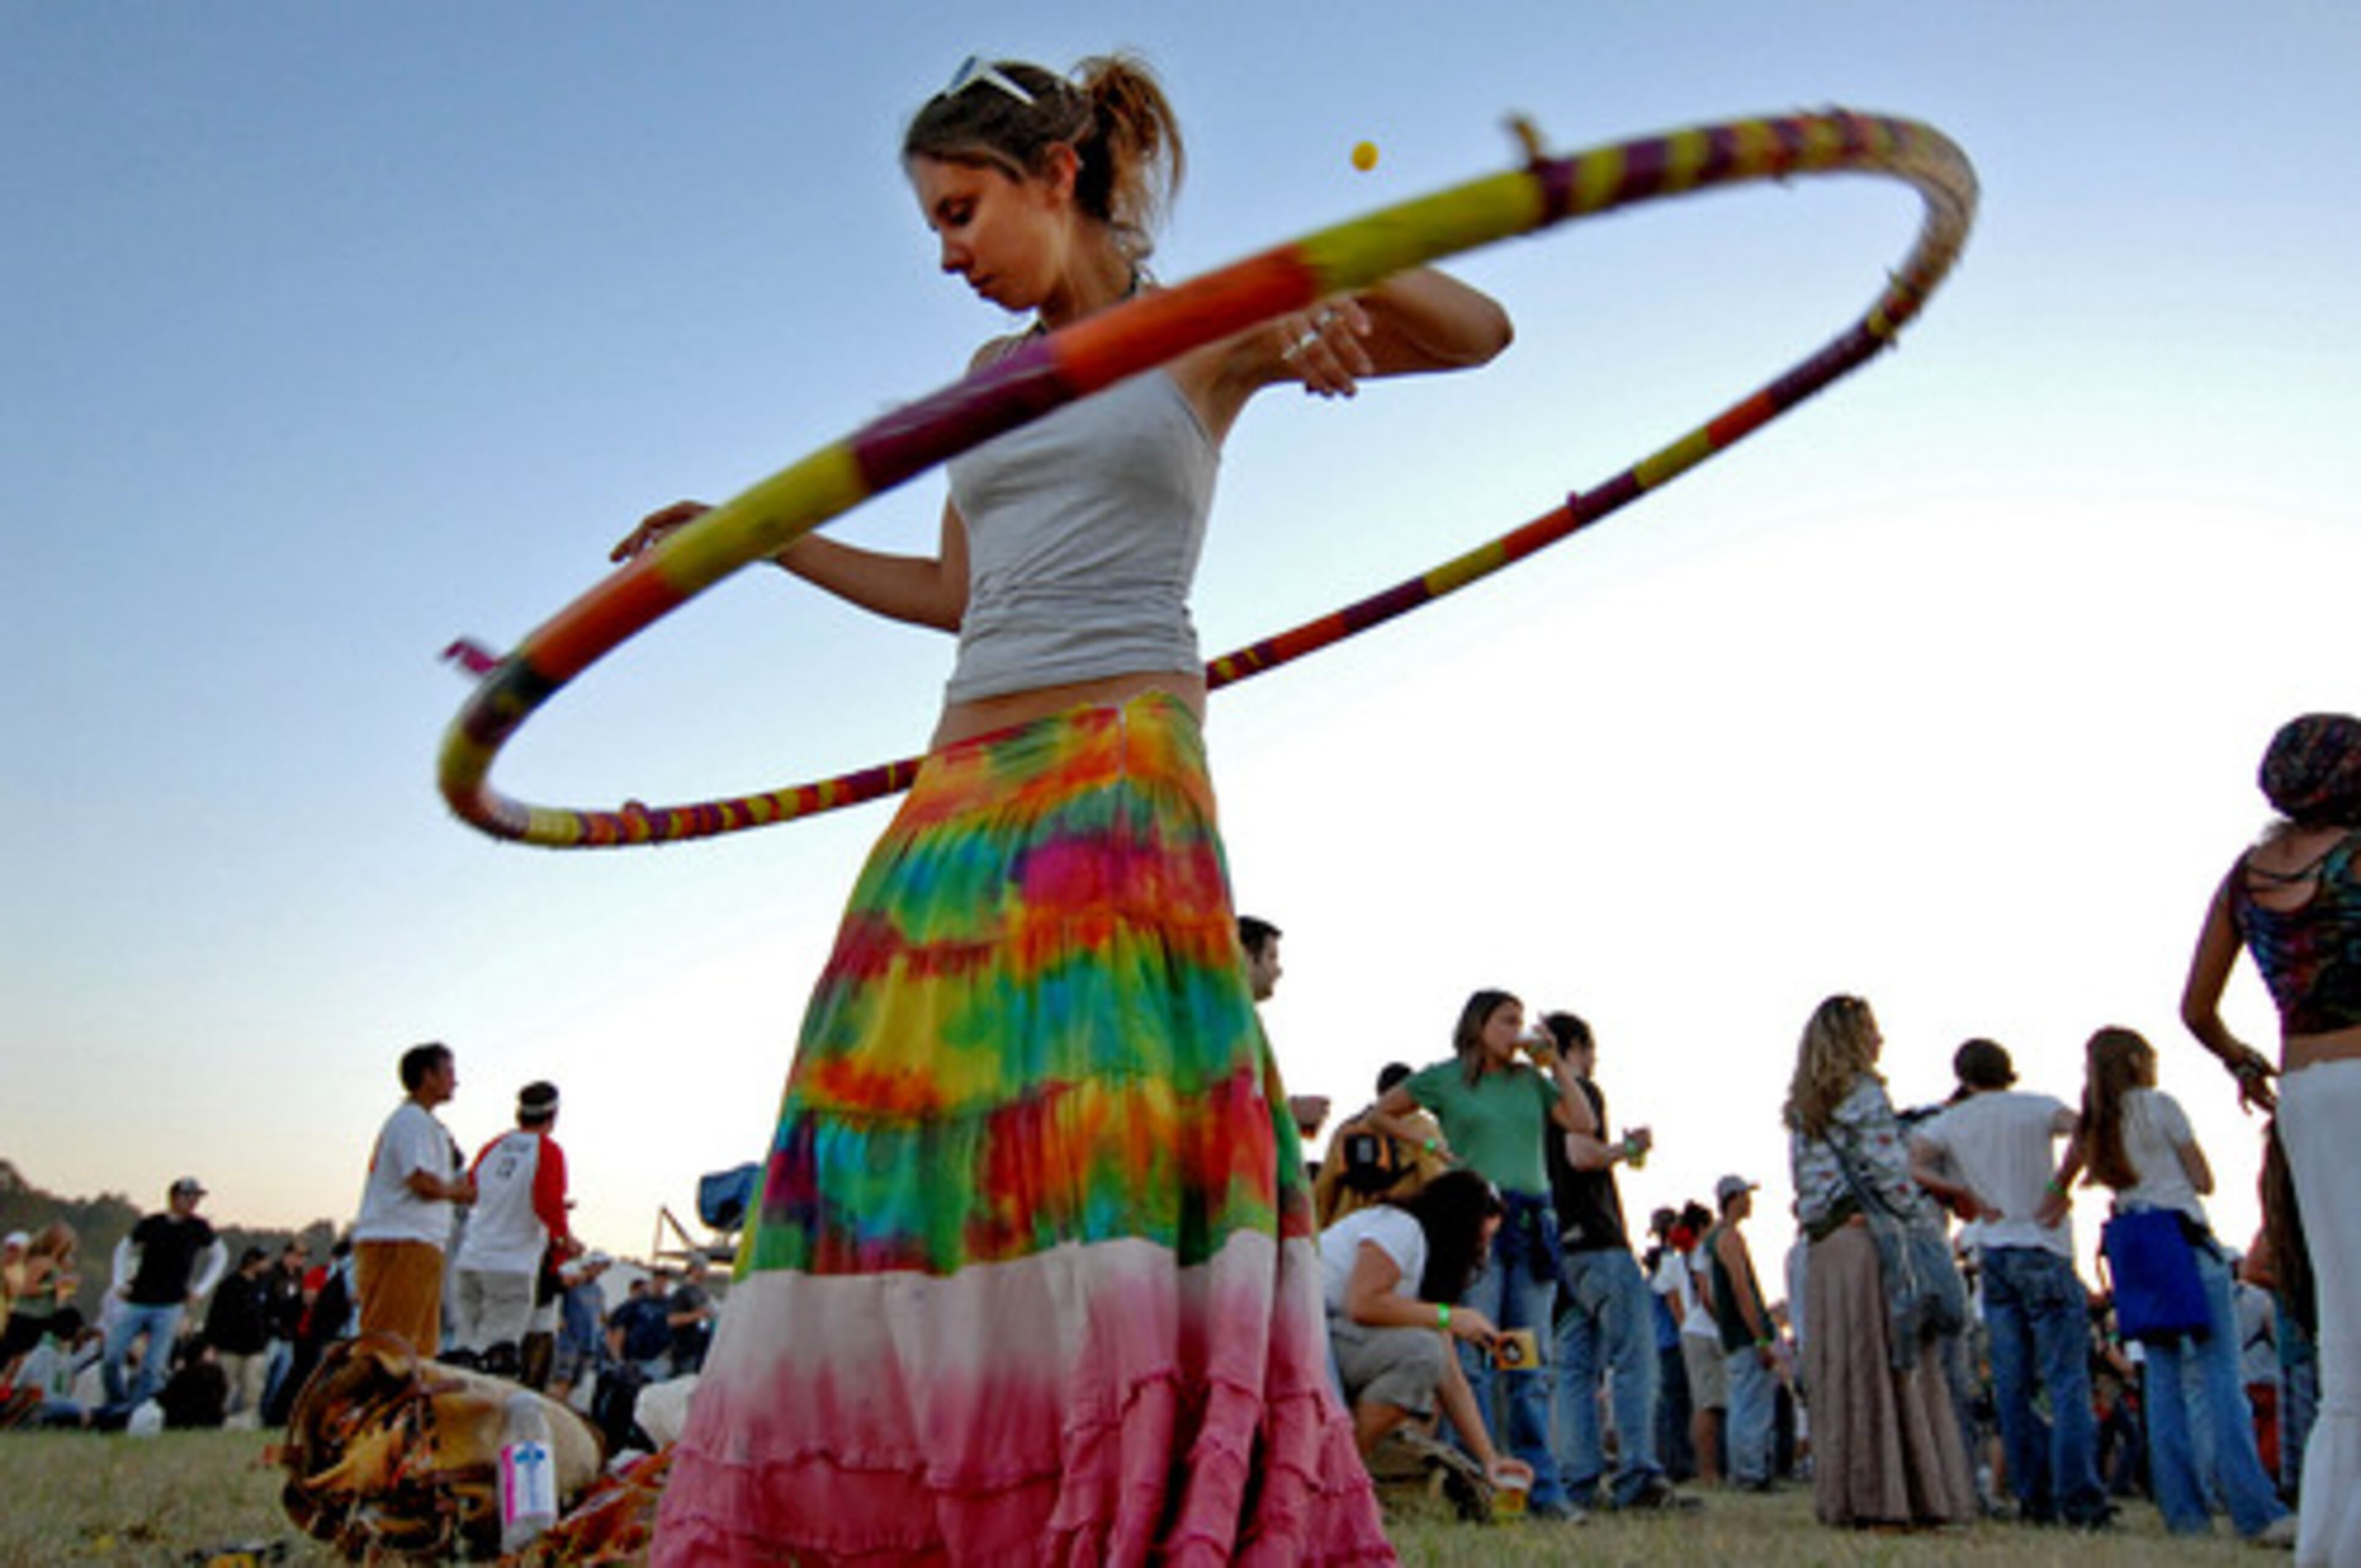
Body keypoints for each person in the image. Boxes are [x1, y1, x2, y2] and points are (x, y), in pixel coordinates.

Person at [625, 51, 1509, 1564]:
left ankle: (1116, 1481)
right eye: (932, 226)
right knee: (897, 1139)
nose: (946, 252)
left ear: (1056, 176)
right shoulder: (985, 388)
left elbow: (1475, 331)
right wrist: (757, 546)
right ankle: (934, 1484)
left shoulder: (1196, 331)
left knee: (1094, 1137)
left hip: (1117, 774)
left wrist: (1317, 278)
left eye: (961, 211)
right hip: (960, 790)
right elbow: (958, 593)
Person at [2181, 711, 2361, 1564]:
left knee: (2345, 1331)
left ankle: (2331, 1538)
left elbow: (2196, 1009)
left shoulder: (2245, 878)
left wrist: (2243, 1062)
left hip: (2305, 1097)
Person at [1369, 990, 1594, 1519]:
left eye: (1521, 1021)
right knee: (1472, 1359)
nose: (1517, 1030)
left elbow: (1582, 1122)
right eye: (1507, 1020)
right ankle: (1476, 1482)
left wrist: (1556, 1062)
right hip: (1476, 1221)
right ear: (1478, 1025)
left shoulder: (1530, 1082)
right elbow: (1380, 1114)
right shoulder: (1445, 1078)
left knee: (1528, 1362)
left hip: (1533, 1221)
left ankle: (1543, 1490)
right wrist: (1428, 1147)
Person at [2072, 1026, 2293, 1545]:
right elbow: (2202, 1179)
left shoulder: (2096, 1123)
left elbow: (2071, 1180)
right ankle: (2255, 1509)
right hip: (2183, 1240)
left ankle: (2184, 1514)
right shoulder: (2158, 1106)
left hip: (2134, 1248)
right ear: (2135, 1060)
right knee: (2221, 1378)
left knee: (2164, 1385)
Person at [1784, 995, 1976, 1528]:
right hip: (1870, 1243)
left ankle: (1853, 1495)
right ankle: (1905, 1496)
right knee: (1895, 1366)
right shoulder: (1866, 1094)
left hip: (1826, 1248)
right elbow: (1893, 1175)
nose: (1880, 1039)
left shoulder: (1804, 1107)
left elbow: (1805, 1187)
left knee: (1845, 1371)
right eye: (1871, 1029)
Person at [1907, 1038, 2110, 1529]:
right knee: (2066, 1380)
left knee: (2012, 1384)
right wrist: (2062, 1184)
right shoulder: (2035, 1108)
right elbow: (2086, 1127)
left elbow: (1910, 1161)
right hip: (2044, 1242)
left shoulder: (1952, 1122)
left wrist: (1962, 1191)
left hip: (1994, 1249)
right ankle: (2079, 1498)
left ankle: (2033, 1495)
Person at [1538, 1010, 1687, 1511]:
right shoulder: (1580, 1092)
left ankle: (1578, 1478)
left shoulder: (1537, 1100)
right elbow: (1583, 1155)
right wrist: (1628, 1147)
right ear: (1576, 1046)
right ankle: (1638, 1476)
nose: (1595, 1059)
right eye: (1591, 1049)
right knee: (1634, 1358)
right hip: (1600, 1242)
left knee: (1575, 1367)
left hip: (1565, 1248)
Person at [1318, 1170, 1530, 1495]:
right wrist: (1449, 1317)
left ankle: (1338, 1473)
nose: (1482, 1253)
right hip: (1304, 1330)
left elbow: (1450, 1377)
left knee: (1427, 1354)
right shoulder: (1400, 1229)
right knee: (1420, 1353)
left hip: (1329, 1340)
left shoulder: (1423, 1270)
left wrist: (1490, 1459)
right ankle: (1335, 1475)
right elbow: (1361, 1303)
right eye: (1481, 1239)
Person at [351, 1042, 475, 1356]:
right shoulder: (411, 1121)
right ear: (427, 1076)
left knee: (416, 1348)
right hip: (400, 1241)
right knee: (390, 1348)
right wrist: (458, 1192)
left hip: (420, 1243)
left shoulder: (426, 1124)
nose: (455, 1080)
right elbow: (419, 1180)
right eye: (448, 1072)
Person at [450, 1079, 577, 1375]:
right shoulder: (547, 1151)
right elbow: (546, 1201)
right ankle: (478, 1418)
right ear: (552, 1115)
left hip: (472, 1256)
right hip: (510, 1264)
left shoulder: (493, 1147)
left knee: (466, 1347)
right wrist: (564, 1238)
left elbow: (473, 1191)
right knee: (497, 1356)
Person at [101, 1176, 226, 1417]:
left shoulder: (198, 1228)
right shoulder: (152, 1224)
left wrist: (201, 1289)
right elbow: (124, 1248)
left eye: (196, 1198)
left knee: (153, 1367)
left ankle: (136, 1414)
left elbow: (220, 1255)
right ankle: (117, 1403)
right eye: (189, 1197)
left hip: (170, 1305)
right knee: (112, 1357)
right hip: (138, 1301)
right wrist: (118, 1282)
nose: (194, 1202)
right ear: (175, 1197)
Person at [1704, 1176, 1779, 1492]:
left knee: (1740, 1400)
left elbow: (1707, 1295)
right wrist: (1760, 1336)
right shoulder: (1730, 1237)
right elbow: (1741, 1287)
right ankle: (1752, 1471)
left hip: (1730, 1334)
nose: (1750, 1202)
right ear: (1733, 1198)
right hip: (1746, 1335)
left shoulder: (1709, 1240)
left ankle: (1743, 1468)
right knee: (1753, 1403)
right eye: (1746, 1196)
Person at [202, 1246, 275, 1428]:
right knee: (226, 1387)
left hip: (256, 1346)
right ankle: (219, 1419)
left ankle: (251, 1420)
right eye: (264, 1261)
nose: (268, 1265)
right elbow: (215, 1315)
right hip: (230, 1346)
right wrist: (211, 1343)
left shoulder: (264, 1284)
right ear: (252, 1263)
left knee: (254, 1387)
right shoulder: (229, 1285)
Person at [1, 1222, 79, 1384]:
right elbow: (27, 1288)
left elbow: (60, 1297)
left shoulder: (56, 1265)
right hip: (28, 1316)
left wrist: (66, 1288)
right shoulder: (42, 1262)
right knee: (11, 1357)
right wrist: (53, 1287)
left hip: (42, 1316)